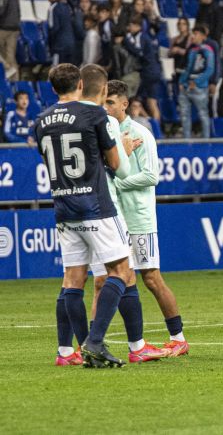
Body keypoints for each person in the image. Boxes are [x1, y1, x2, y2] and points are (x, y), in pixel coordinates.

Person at [36, 63, 142, 367]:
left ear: (53, 88)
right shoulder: (95, 115)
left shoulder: (41, 120)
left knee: (73, 279)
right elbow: (118, 168)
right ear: (80, 84)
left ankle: (81, 349)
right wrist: (122, 149)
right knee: (121, 272)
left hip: (63, 207)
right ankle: (95, 342)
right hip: (95, 206)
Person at [102, 79, 189, 356]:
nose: (106, 108)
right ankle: (131, 342)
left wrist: (115, 183)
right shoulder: (107, 133)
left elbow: (151, 176)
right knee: (115, 278)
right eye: (104, 102)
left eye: (111, 102)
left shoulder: (140, 133)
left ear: (124, 104)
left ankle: (178, 337)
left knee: (151, 278)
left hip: (139, 218)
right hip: (117, 218)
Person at [178, 25, 215, 139]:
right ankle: (186, 141)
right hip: (187, 86)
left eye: (196, 34)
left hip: (199, 87)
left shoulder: (208, 50)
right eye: (193, 34)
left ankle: (206, 141)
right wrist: (181, 81)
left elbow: (210, 69)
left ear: (203, 36)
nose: (193, 36)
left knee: (203, 114)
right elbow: (188, 68)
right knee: (184, 115)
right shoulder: (192, 50)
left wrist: (197, 82)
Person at [124, 15, 161, 122]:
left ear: (138, 26)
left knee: (136, 100)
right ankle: (156, 128)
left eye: (131, 25)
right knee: (151, 102)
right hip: (154, 72)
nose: (129, 28)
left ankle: (146, 121)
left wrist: (126, 42)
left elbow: (139, 52)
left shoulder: (141, 37)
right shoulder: (143, 36)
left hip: (148, 73)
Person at [47, 0, 76, 66]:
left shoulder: (56, 7)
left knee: (58, 72)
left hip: (60, 46)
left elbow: (53, 28)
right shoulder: (68, 7)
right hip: (69, 45)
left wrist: (51, 45)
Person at [0, 0, 20, 81]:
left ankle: (9, 71)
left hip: (5, 27)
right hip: (14, 26)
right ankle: (15, 80)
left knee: (8, 55)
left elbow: (1, 9)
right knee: (10, 55)